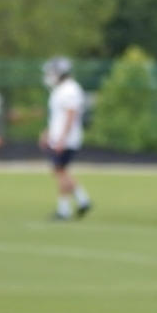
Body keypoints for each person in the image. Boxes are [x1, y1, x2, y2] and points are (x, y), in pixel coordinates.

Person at [38, 57, 91, 221]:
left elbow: (70, 116)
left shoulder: (70, 90)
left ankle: (64, 210)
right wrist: (48, 132)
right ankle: (83, 200)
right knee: (60, 171)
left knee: (60, 172)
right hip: (58, 138)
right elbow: (57, 117)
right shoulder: (59, 90)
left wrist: (62, 138)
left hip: (67, 140)